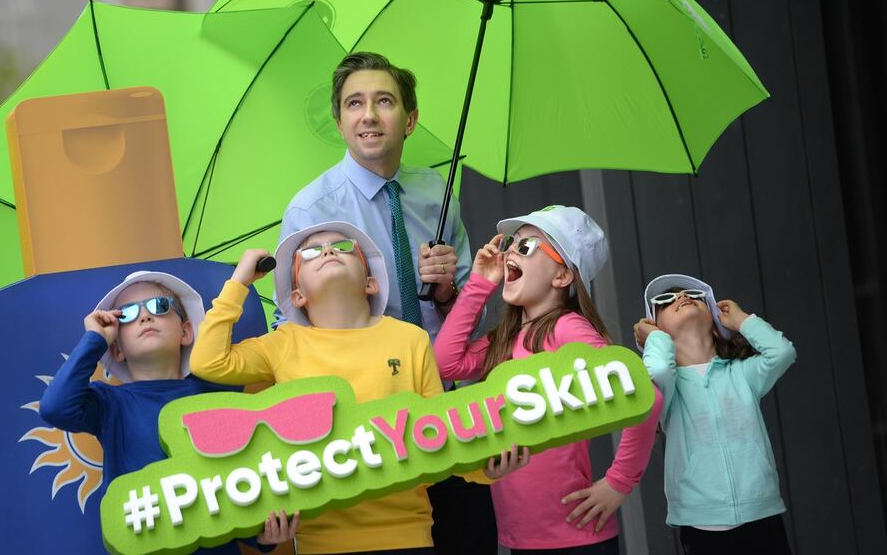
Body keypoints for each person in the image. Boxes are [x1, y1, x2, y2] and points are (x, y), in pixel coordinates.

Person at [191, 221, 528, 555]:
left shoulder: (409, 338)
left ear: (370, 283)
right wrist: (239, 282)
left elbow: (439, 434)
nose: (326, 251)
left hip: (407, 533)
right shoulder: (282, 344)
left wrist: (485, 471)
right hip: (321, 542)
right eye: (309, 253)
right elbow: (208, 362)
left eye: (342, 247)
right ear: (297, 295)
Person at [279, 51, 494, 552]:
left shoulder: (436, 193)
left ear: (410, 119)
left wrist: (446, 291)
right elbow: (291, 319)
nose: (369, 115)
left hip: (447, 402)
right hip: (373, 420)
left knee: (470, 536)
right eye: (355, 103)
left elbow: (471, 311)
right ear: (339, 122)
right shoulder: (312, 209)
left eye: (384, 101)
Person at [434, 205, 663, 554]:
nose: (509, 250)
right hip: (520, 538)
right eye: (511, 242)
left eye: (526, 247)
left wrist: (618, 483)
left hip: (577, 538)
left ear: (562, 277)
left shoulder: (566, 328)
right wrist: (480, 283)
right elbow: (446, 362)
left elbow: (645, 395)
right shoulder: (505, 339)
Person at [39, 271, 297, 553]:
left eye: (159, 306)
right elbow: (55, 407)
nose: (145, 317)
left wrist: (258, 536)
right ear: (117, 350)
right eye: (125, 314)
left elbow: (230, 476)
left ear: (186, 332)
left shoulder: (216, 390)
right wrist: (95, 338)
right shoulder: (109, 403)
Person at [633, 274, 796, 555]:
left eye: (694, 296)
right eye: (664, 301)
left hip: (761, 512)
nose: (681, 298)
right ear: (655, 329)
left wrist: (742, 319)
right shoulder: (668, 386)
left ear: (716, 323)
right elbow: (656, 371)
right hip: (702, 524)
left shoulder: (741, 373)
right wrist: (655, 341)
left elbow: (782, 352)